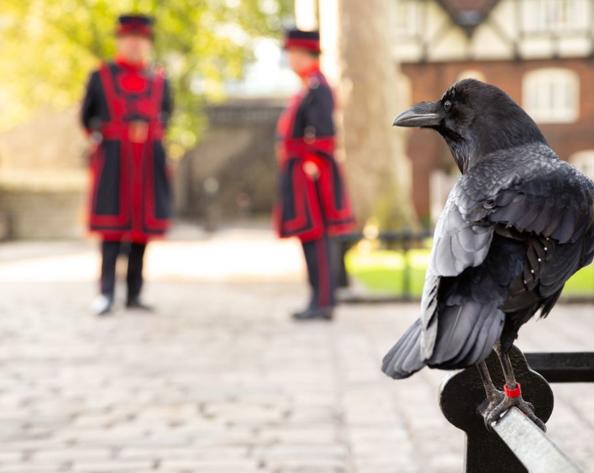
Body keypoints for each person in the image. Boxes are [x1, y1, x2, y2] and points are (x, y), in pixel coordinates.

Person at [81, 14, 173, 316]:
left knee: (140, 232)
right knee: (111, 230)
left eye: (140, 40)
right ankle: (106, 293)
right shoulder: (101, 77)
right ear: (120, 42)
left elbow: (167, 117)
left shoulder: (160, 80)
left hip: (146, 164)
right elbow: (87, 118)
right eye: (129, 39)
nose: (134, 45)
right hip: (114, 164)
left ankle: (134, 293)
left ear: (147, 44)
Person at [275, 28, 355, 321]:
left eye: (293, 54)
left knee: (316, 235)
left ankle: (322, 302)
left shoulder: (318, 87)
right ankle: (318, 298)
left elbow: (323, 133)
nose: (291, 59)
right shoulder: (309, 86)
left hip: (311, 174)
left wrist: (310, 162)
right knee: (309, 236)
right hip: (302, 171)